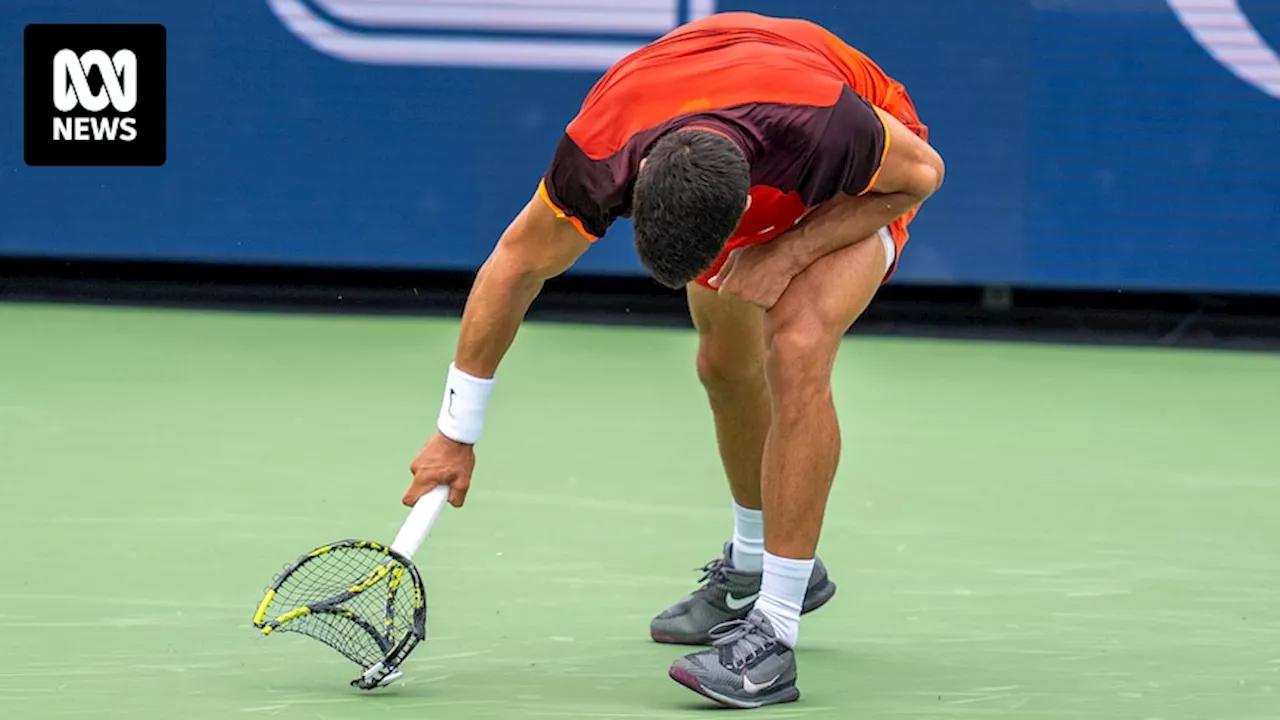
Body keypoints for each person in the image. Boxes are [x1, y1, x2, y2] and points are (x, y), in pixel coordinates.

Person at [400, 11, 944, 709]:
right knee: (723, 364)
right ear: (640, 180)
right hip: (715, 113)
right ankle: (755, 563)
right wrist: (455, 433)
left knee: (797, 343)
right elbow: (514, 266)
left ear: (746, 205)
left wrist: (788, 251)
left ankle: (772, 638)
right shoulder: (601, 151)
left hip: (853, 168)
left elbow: (922, 176)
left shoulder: (831, 129)